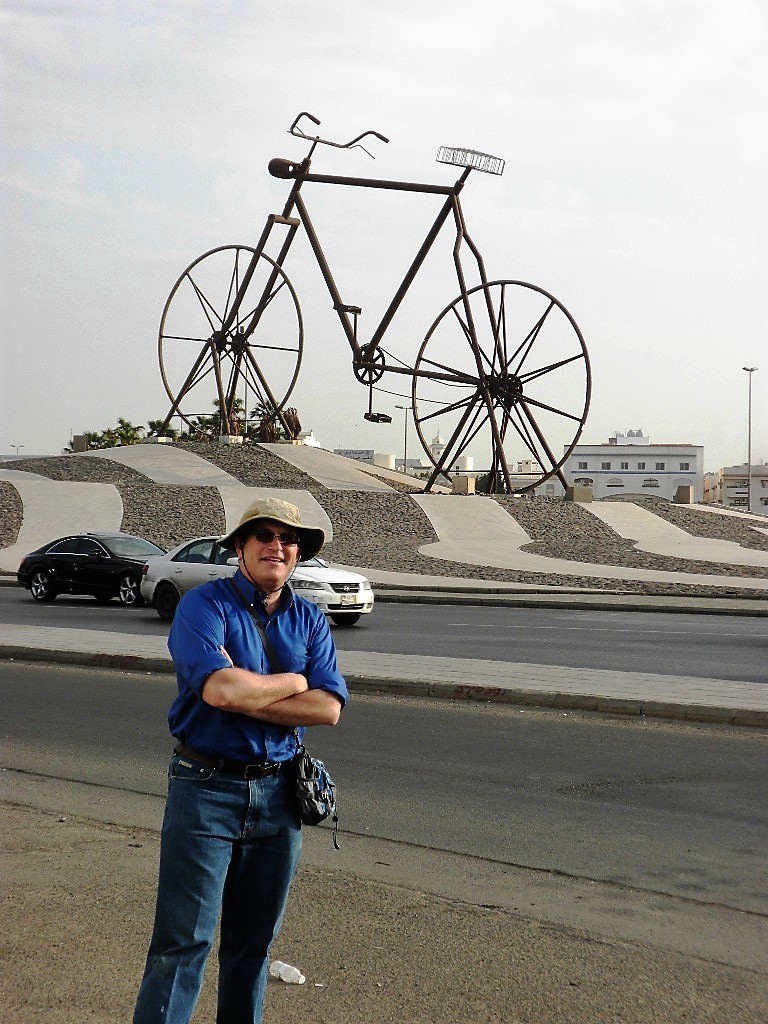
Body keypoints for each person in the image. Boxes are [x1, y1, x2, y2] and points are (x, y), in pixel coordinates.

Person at [133, 497, 347, 1024]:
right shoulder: (204, 606)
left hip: (279, 797)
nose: (278, 546)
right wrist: (294, 682)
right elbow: (221, 691)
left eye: (289, 539)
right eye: (265, 535)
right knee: (182, 945)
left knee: (252, 950)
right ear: (240, 547)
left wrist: (255, 692)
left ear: (298, 553)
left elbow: (328, 707)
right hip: (205, 788)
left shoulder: (309, 619)